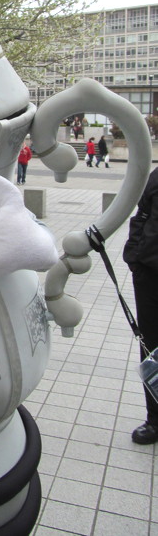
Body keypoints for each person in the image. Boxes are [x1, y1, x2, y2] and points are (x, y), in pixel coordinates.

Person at [123, 167, 158, 444]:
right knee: (150, 348)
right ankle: (155, 418)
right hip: (150, 273)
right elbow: (141, 216)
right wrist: (134, 257)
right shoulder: (157, 176)